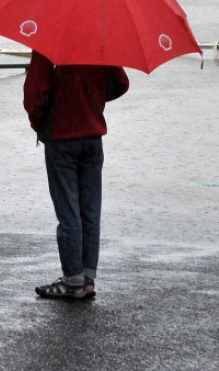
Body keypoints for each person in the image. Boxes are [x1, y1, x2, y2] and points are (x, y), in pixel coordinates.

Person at [22, 50, 129, 300]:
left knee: (69, 211)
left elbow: (34, 96)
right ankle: (87, 278)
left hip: (61, 139)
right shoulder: (99, 43)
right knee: (90, 211)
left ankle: (72, 280)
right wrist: (92, 103)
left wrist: (42, 124)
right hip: (93, 137)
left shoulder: (48, 44)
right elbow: (120, 83)